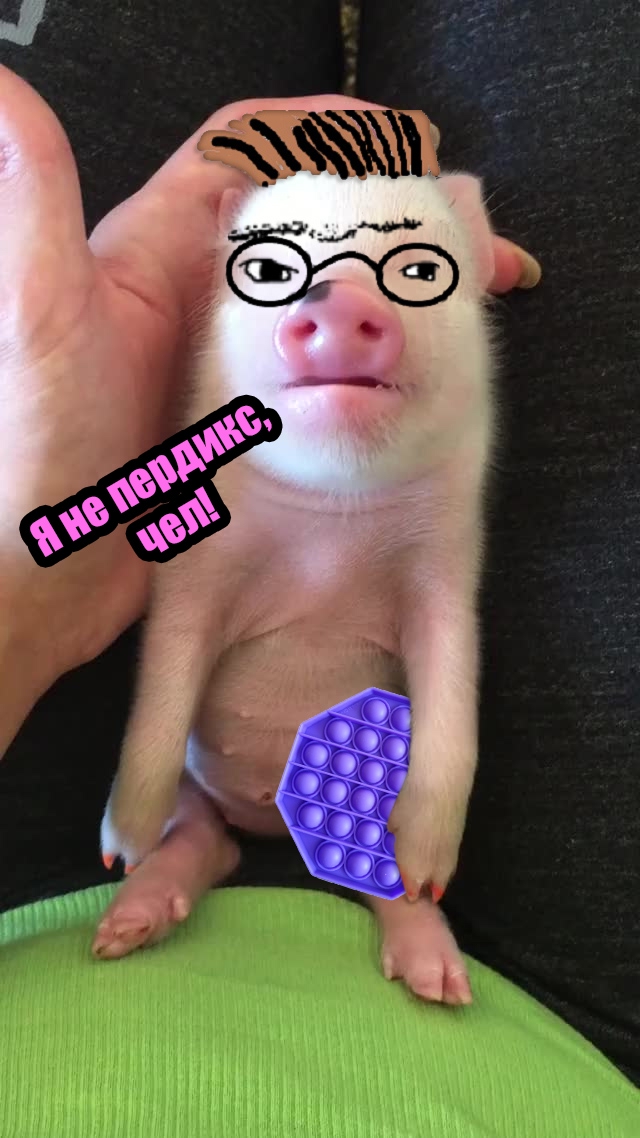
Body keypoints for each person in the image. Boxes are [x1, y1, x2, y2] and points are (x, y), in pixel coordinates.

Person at [0, 0, 637, 1092]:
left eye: (416, 270)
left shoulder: (439, 468)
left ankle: (390, 893)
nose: (336, 306)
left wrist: (436, 792)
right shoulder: (204, 465)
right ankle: (196, 845)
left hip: (308, 808)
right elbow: (186, 617)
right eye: (274, 269)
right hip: (567, 1037)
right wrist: (142, 769)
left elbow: (439, 629)